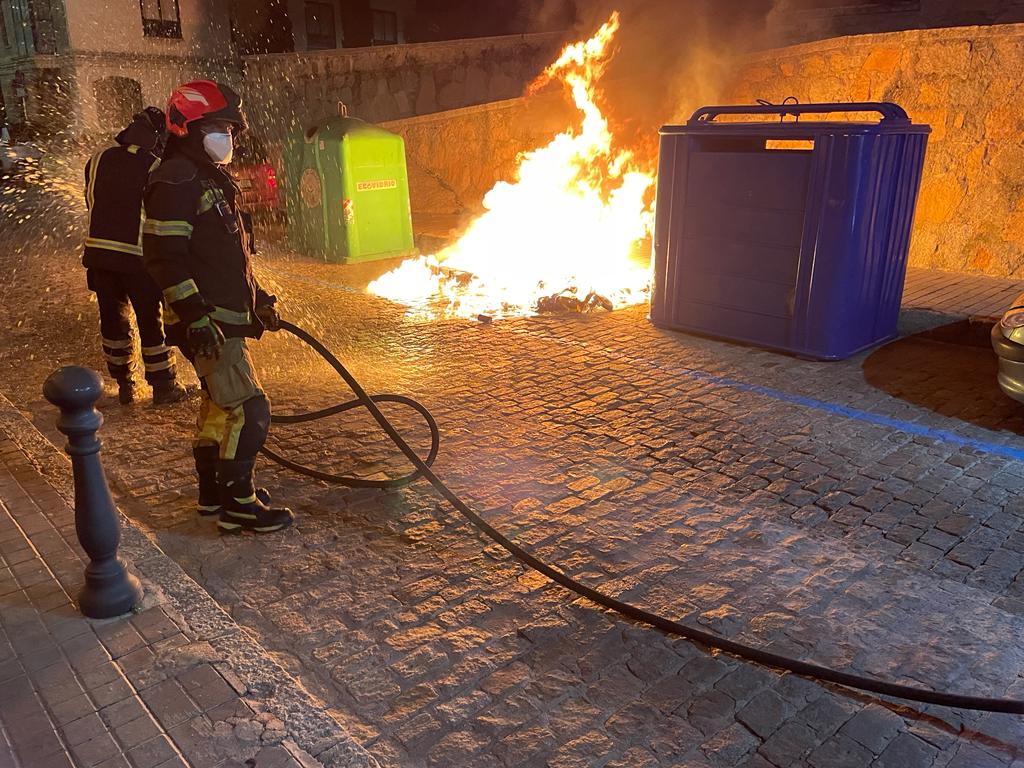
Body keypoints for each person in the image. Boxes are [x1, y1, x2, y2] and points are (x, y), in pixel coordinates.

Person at [141, 80, 292, 534]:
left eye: (230, 128)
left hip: (218, 317)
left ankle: (213, 493)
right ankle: (239, 505)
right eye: (219, 127)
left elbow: (223, 255)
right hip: (207, 321)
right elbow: (164, 259)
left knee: (217, 407)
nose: (228, 138)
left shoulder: (202, 176)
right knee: (250, 408)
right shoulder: (176, 180)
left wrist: (258, 299)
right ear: (187, 127)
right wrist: (197, 318)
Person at [83, 107, 187, 406]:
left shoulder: (98, 158)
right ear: (157, 138)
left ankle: (125, 383)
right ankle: (164, 387)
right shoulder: (154, 166)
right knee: (150, 322)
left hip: (99, 257)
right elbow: (160, 215)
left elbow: (91, 201)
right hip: (137, 259)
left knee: (113, 322)